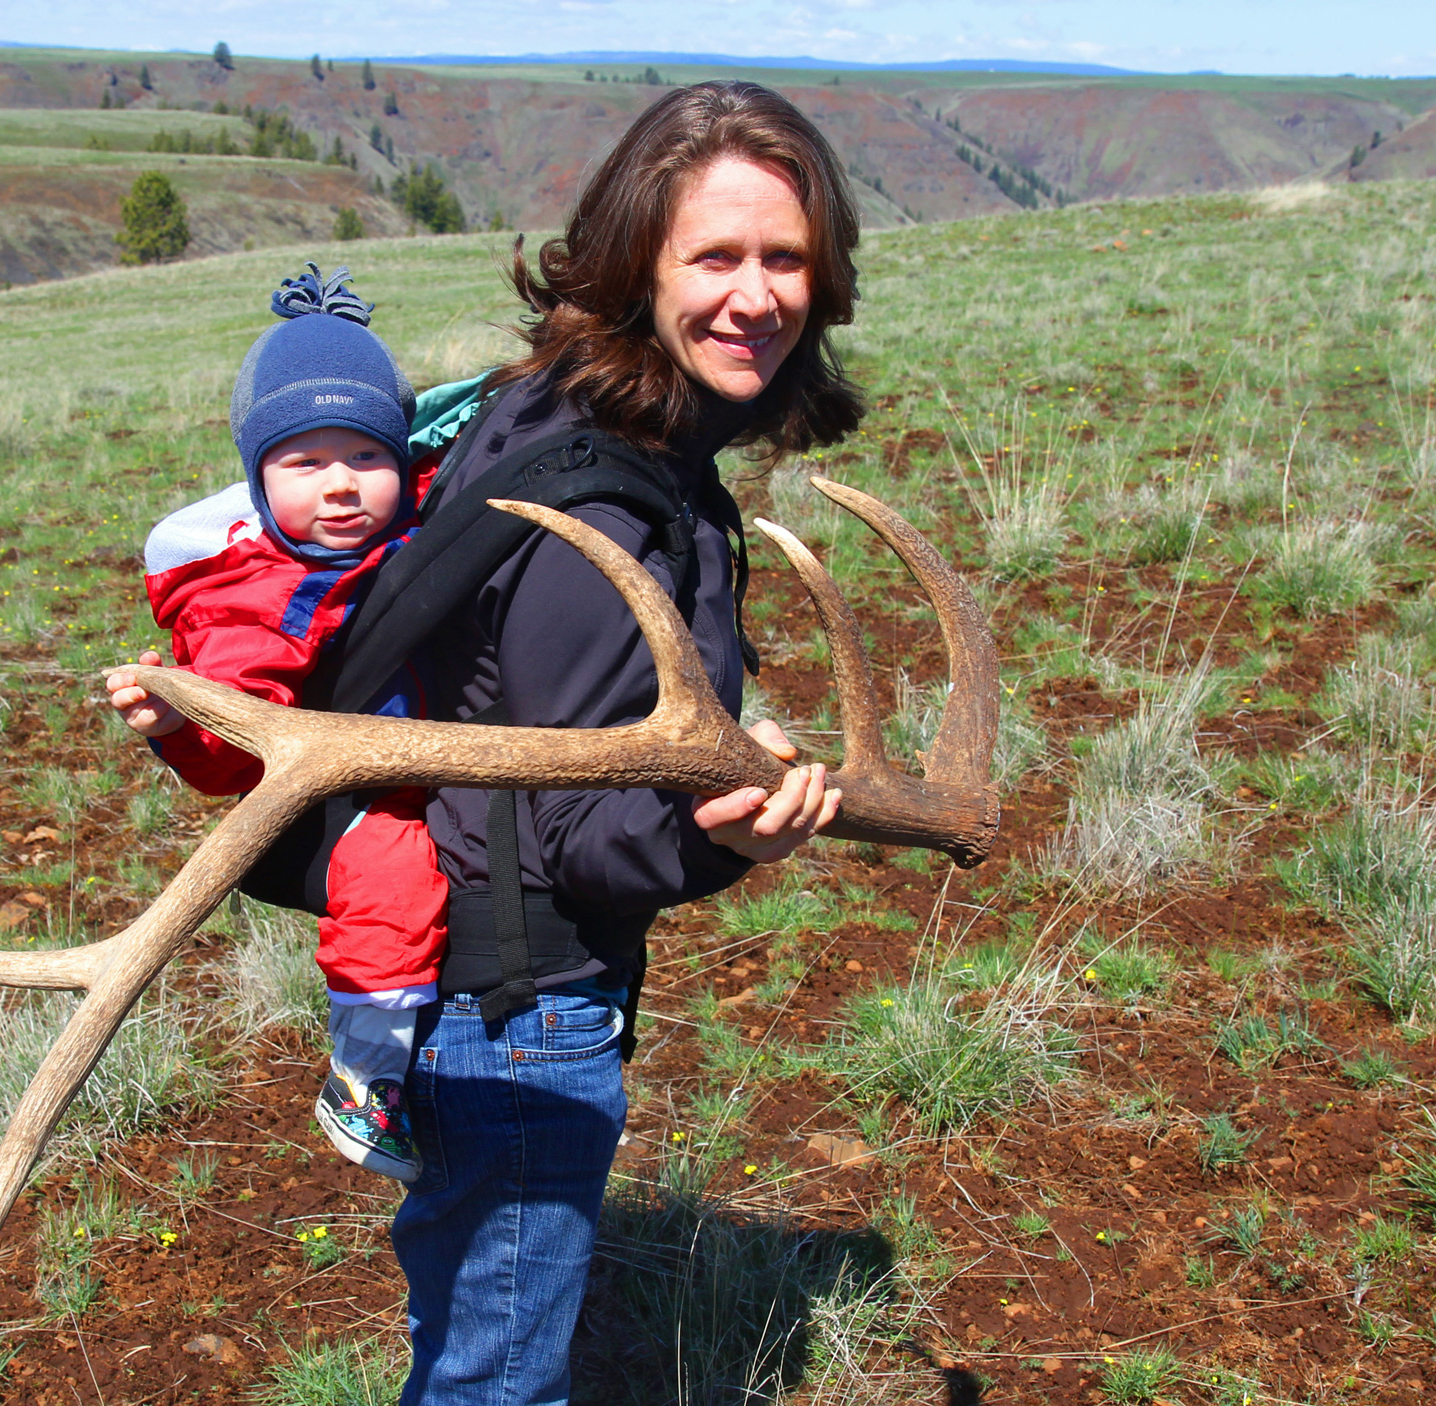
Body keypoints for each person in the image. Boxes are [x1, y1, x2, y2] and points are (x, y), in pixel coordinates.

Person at [385, 81, 862, 1406]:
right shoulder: (608, 501)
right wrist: (727, 828)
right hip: (521, 1007)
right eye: (715, 257)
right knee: (494, 1386)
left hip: (466, 979)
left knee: (475, 1353)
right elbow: (579, 824)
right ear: (637, 264)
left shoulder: (556, 419)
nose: (756, 294)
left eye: (785, 259)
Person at [105, 264, 444, 1184]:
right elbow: (231, 761)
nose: (342, 486)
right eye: (305, 462)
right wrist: (177, 725)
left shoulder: (435, 525)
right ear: (257, 477)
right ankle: (367, 1077)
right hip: (365, 795)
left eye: (368, 458)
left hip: (456, 763)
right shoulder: (251, 597)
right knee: (394, 872)